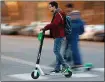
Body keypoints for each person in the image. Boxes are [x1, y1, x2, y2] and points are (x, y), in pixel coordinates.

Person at [41, 1, 69, 73]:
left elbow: (54, 24)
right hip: (58, 35)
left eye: (50, 6)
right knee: (57, 51)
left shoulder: (58, 14)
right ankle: (57, 68)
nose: (49, 8)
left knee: (56, 51)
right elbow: (55, 24)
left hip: (59, 35)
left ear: (54, 7)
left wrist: (45, 28)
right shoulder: (58, 13)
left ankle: (65, 65)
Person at [64, 3, 85, 69]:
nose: (67, 9)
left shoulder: (75, 14)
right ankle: (66, 61)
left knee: (74, 49)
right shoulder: (67, 15)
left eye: (68, 8)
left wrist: (80, 32)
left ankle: (78, 63)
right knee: (67, 49)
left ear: (71, 8)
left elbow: (80, 24)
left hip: (74, 35)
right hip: (68, 36)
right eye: (67, 8)